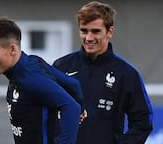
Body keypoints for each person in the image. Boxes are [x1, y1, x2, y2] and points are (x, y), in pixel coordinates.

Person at [53, 1, 154, 144]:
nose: (88, 38)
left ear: (110, 32)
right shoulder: (61, 66)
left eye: (95, 31)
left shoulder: (126, 74)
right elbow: (44, 113)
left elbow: (142, 122)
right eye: (84, 30)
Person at [0, 17, 84, 144]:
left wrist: (79, 109)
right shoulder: (30, 64)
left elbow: (71, 107)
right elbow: (73, 84)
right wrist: (82, 107)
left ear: (12, 49)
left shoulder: (32, 80)